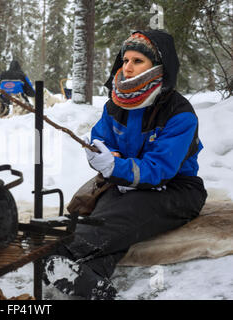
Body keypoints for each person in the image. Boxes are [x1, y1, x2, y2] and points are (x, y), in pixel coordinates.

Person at [44, 30, 207, 300]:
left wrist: (115, 168)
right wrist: (108, 155)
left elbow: (160, 168)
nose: (127, 67)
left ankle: (60, 255)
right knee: (108, 232)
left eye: (137, 61)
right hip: (125, 185)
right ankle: (93, 286)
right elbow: (101, 136)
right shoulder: (115, 104)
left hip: (174, 190)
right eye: (125, 60)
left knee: (94, 232)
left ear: (158, 67)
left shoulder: (179, 113)